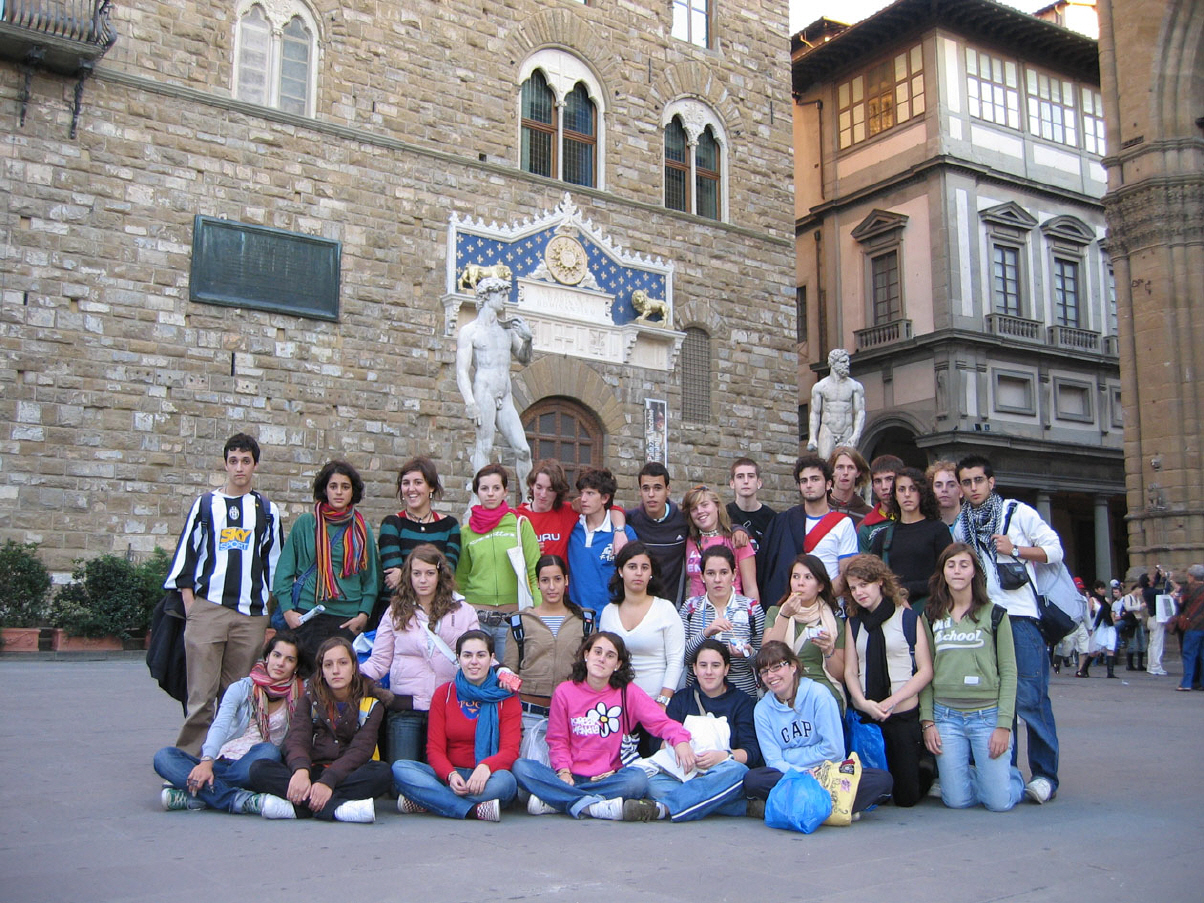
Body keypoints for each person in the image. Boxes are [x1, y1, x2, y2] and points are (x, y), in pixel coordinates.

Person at [953, 454, 1063, 804]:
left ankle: (1045, 775)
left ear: (991, 481)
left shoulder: (1017, 512)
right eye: (966, 482)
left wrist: (1015, 548)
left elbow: (1055, 550)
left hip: (1020, 617)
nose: (973, 488)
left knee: (1031, 698)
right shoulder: (962, 526)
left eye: (978, 480)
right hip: (985, 618)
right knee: (998, 701)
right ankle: (1008, 773)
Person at [164, 433, 283, 755]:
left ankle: (226, 758)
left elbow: (273, 564)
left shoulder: (267, 510)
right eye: (233, 461)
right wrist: (191, 605)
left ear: (255, 465)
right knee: (201, 695)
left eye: (245, 461)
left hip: (249, 615)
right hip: (208, 609)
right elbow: (187, 555)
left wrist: (266, 608)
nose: (239, 468)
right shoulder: (206, 505)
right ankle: (188, 759)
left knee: (237, 697)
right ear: (225, 465)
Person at [511, 631, 693, 820]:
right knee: (521, 768)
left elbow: (660, 721)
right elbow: (558, 740)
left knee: (637, 780)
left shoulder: (628, 692)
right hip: (570, 777)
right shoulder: (564, 692)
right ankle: (593, 806)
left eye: (610, 655)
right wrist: (563, 771)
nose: (602, 659)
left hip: (610, 778)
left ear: (618, 664)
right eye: (597, 652)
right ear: (586, 655)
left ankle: (559, 800)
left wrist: (680, 740)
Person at [154, 631, 309, 814]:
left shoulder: (300, 694)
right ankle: (239, 799)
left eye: (289, 659)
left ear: (296, 666)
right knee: (164, 757)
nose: (280, 663)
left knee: (268, 750)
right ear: (267, 657)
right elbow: (220, 725)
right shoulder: (241, 688)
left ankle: (199, 796)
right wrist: (206, 762)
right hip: (222, 761)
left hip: (256, 765)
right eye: (276, 655)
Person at [920, 544, 1024, 812]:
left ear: (974, 572)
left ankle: (1011, 778)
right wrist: (928, 722)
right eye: (951, 565)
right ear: (943, 572)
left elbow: (1009, 672)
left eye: (964, 565)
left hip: (987, 716)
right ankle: (984, 778)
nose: (957, 571)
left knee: (999, 803)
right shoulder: (930, 616)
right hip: (946, 717)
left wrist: (1004, 725)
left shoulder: (996, 614)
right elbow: (925, 672)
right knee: (956, 801)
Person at [248, 636, 394, 822]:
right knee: (259, 768)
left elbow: (361, 750)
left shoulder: (372, 704)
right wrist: (301, 771)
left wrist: (328, 781)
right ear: (322, 670)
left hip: (346, 774)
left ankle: (301, 808)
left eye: (343, 663)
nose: (336, 671)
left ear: (353, 667)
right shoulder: (309, 698)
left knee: (383, 773)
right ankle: (337, 809)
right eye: (328, 665)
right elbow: (297, 738)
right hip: (311, 770)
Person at [743, 641, 893, 816]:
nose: (771, 675)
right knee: (753, 779)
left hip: (829, 774)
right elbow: (773, 761)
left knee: (881, 780)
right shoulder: (762, 710)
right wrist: (803, 773)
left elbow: (834, 751)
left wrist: (790, 756)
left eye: (777, 667)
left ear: (793, 666)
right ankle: (833, 808)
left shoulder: (819, 695)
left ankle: (798, 807)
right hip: (791, 776)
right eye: (764, 671)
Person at [362, 543, 481, 762]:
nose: (423, 580)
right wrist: (352, 674)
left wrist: (501, 673)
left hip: (449, 707)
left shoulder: (464, 611)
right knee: (402, 772)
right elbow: (379, 662)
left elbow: (477, 657)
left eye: (429, 573)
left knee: (439, 774)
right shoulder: (395, 611)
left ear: (440, 574)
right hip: (405, 707)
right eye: (417, 574)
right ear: (409, 576)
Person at [392, 630, 520, 821]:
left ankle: (428, 800)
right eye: (467, 655)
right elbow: (434, 749)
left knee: (506, 782)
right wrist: (450, 775)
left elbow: (510, 751)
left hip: (488, 776)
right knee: (401, 768)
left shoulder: (506, 697)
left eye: (481, 655)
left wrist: (486, 767)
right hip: (450, 775)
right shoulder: (444, 694)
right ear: (458, 658)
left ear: (492, 658)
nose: (474, 662)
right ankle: (472, 810)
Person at [842, 554, 935, 807]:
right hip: (868, 714)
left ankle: (926, 768)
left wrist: (892, 701)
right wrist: (862, 702)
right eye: (853, 588)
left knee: (906, 798)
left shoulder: (907, 618)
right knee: (875, 796)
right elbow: (850, 670)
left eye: (864, 584)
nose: (859, 592)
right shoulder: (853, 623)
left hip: (902, 713)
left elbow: (925, 670)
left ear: (880, 582)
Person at [643, 640, 761, 820]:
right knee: (652, 784)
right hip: (683, 773)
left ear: (726, 669)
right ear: (695, 668)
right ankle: (736, 806)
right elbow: (655, 742)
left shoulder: (742, 702)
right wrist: (682, 749)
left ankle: (665, 807)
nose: (708, 672)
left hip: (722, 772)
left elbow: (751, 752)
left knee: (738, 772)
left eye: (716, 666)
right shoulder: (682, 699)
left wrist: (724, 756)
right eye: (703, 665)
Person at [275, 459, 381, 658]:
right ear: (325, 489)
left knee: (340, 674)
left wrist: (363, 615)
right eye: (333, 486)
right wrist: (288, 611)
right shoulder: (306, 523)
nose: (339, 492)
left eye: (345, 487)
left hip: (347, 620)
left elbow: (371, 578)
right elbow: (284, 570)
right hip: (309, 614)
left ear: (353, 491)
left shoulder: (362, 529)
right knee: (309, 673)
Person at [503, 555, 596, 765]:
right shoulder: (520, 621)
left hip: (571, 714)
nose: (552, 587)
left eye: (557, 579)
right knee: (527, 773)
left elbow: (593, 671)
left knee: (567, 771)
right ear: (537, 583)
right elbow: (510, 670)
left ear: (566, 580)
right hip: (529, 714)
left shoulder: (585, 621)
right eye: (545, 580)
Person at [456, 275, 534, 492]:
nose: (504, 300)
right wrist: (470, 402)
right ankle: (477, 499)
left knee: (523, 450)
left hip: (505, 396)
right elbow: (461, 371)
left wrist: (528, 339)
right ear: (487, 296)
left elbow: (524, 359)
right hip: (484, 393)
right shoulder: (470, 331)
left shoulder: (507, 330)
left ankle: (528, 501)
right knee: (485, 447)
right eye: (501, 295)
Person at [456, 463, 540, 661]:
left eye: (496, 488)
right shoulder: (466, 532)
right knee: (476, 673)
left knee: (508, 674)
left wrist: (538, 612)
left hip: (510, 620)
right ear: (477, 492)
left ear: (505, 491)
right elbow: (461, 578)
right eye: (484, 488)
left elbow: (534, 573)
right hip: (475, 619)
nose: (490, 494)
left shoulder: (520, 524)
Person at [758, 455, 858, 607]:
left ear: (828, 484)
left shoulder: (843, 524)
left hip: (828, 606)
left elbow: (845, 574)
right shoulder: (784, 521)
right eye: (804, 481)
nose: (809, 485)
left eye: (815, 479)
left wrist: (816, 600)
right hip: (791, 606)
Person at [599, 542, 686, 716]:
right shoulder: (608, 612)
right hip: (616, 706)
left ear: (651, 573)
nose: (639, 573)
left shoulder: (665, 609)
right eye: (632, 567)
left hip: (657, 705)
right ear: (620, 571)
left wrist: (662, 701)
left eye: (644, 567)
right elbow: (603, 660)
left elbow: (676, 660)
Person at [377, 456, 461, 627]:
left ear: (431, 487)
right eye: (406, 483)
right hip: (397, 612)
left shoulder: (450, 526)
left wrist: (406, 575)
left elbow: (447, 574)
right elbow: (393, 577)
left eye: (418, 482)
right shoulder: (392, 524)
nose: (411, 489)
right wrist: (429, 576)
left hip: (438, 612)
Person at [762, 554, 846, 711]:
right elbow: (767, 656)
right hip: (784, 688)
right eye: (795, 577)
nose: (800, 583)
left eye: (808, 577)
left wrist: (829, 651)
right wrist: (785, 616)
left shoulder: (834, 622)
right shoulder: (776, 612)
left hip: (821, 691)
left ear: (820, 586)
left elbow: (840, 676)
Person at [680, 546, 764, 697]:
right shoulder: (690, 607)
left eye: (724, 572)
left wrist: (748, 653)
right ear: (702, 576)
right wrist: (706, 633)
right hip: (698, 696)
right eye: (711, 573)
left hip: (742, 696)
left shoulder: (751, 608)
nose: (717, 579)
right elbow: (681, 658)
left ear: (734, 574)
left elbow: (763, 662)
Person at [869, 466, 952, 616]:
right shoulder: (883, 536)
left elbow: (946, 575)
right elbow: (874, 578)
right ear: (895, 495)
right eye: (901, 489)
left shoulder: (938, 530)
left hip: (931, 609)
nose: (907, 494)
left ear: (922, 493)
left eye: (913, 489)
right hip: (893, 610)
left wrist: (907, 589)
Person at [567, 467, 636, 616]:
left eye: (590, 493)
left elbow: (635, 576)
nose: (583, 499)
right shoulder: (571, 527)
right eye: (582, 493)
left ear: (604, 498)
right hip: (576, 617)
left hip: (612, 617)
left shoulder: (625, 534)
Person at [625, 462, 690, 607]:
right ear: (640, 491)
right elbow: (609, 514)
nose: (651, 494)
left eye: (657, 488)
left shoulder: (683, 520)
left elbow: (712, 525)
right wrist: (618, 529)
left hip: (672, 607)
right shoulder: (630, 520)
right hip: (638, 607)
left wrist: (737, 529)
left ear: (668, 490)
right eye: (646, 488)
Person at [682, 484, 760, 604]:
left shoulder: (737, 539)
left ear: (717, 506)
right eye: (694, 509)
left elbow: (750, 588)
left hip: (733, 609)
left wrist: (754, 613)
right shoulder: (690, 541)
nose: (700, 511)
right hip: (697, 611)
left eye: (704, 505)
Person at [806, 348, 866, 460]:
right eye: (843, 362)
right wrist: (813, 437)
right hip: (827, 430)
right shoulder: (820, 387)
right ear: (833, 364)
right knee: (825, 462)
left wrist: (856, 434)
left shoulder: (855, 386)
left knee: (846, 462)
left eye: (847, 361)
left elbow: (860, 412)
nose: (847, 364)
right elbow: (815, 413)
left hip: (846, 430)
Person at [516, 459, 580, 559]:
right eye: (539, 487)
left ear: (558, 491)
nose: (543, 494)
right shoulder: (518, 516)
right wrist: (526, 551)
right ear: (532, 485)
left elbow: (600, 509)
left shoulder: (568, 511)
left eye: (550, 489)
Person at [726, 457, 776, 552]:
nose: (746, 481)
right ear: (732, 483)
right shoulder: (723, 514)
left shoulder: (772, 518)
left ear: (759, 483)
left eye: (751, 476)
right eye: (740, 476)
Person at [856, 454, 903, 553]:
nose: (884, 487)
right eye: (878, 481)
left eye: (889, 479)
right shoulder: (865, 527)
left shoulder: (917, 517)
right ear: (873, 487)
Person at [827, 445, 872, 528]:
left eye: (850, 467)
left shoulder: (868, 514)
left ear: (858, 473)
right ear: (832, 471)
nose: (845, 472)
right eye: (840, 467)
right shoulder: (820, 508)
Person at [1175, 565, 1204, 692]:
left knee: (1189, 654)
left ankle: (1187, 682)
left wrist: (1176, 599)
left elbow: (1181, 603)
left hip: (1193, 626)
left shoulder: (1189, 589)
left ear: (1192, 576)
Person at [1080, 582, 1118, 678]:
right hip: (1098, 625)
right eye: (1101, 588)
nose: (1103, 590)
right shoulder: (1092, 600)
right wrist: (1089, 627)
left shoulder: (1106, 600)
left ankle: (1110, 672)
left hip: (1108, 625)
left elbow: (1110, 612)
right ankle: (1084, 668)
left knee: (1110, 647)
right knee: (1095, 650)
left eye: (1103, 588)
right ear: (1096, 589)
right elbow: (1088, 614)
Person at [1116, 577, 1149, 672]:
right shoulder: (1128, 597)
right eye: (1141, 590)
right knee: (1132, 642)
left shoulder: (1137, 598)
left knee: (1141, 641)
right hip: (1132, 622)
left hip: (1138, 620)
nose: (1141, 592)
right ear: (1137, 589)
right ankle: (1130, 664)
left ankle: (1140, 664)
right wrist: (1139, 606)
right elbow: (1128, 608)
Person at [1144, 565, 1171, 676]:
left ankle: (1151, 666)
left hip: (1151, 618)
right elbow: (1166, 590)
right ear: (1148, 582)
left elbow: (1154, 583)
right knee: (1157, 645)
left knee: (1152, 644)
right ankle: (1156, 667)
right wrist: (1166, 579)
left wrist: (1158, 574)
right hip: (1156, 619)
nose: (1152, 578)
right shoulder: (1152, 592)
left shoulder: (1147, 591)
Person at [926, 459, 963, 531]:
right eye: (938, 485)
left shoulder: (974, 522)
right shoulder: (925, 525)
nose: (944, 489)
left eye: (951, 485)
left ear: (961, 491)